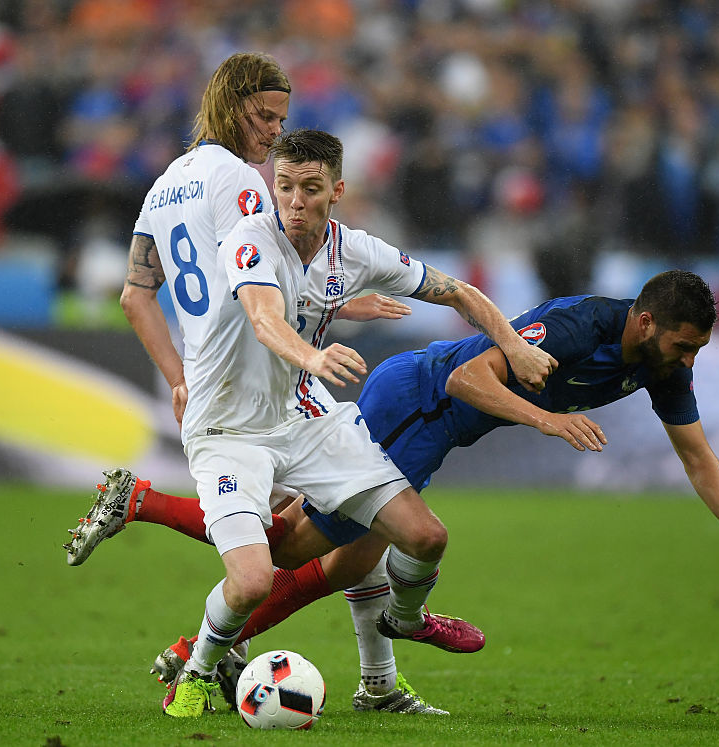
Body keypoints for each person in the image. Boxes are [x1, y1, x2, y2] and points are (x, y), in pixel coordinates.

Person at [70, 269, 719, 700]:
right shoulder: (581, 325)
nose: (689, 359)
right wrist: (548, 421)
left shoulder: (662, 366)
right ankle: (156, 532)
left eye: (697, 349)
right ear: (648, 322)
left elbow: (698, 455)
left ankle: (193, 613)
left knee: (343, 560)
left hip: (436, 426)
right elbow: (467, 375)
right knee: (299, 549)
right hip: (417, 400)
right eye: (684, 343)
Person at [82, 124, 558, 719]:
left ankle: (401, 630)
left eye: (309, 188)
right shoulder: (248, 240)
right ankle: (199, 669)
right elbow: (263, 316)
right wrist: (314, 355)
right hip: (230, 429)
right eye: (284, 187)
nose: (294, 201)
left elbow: (457, 291)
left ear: (337, 189)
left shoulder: (353, 250)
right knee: (258, 576)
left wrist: (513, 343)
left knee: (424, 537)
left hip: (304, 421)